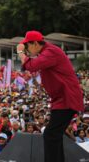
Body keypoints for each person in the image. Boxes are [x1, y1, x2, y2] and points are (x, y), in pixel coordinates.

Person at [16, 30, 84, 162]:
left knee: (50, 134)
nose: (27, 50)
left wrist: (21, 53)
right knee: (54, 135)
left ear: (35, 43)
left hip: (66, 98)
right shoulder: (47, 51)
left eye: (27, 46)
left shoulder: (51, 51)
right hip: (62, 98)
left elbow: (32, 66)